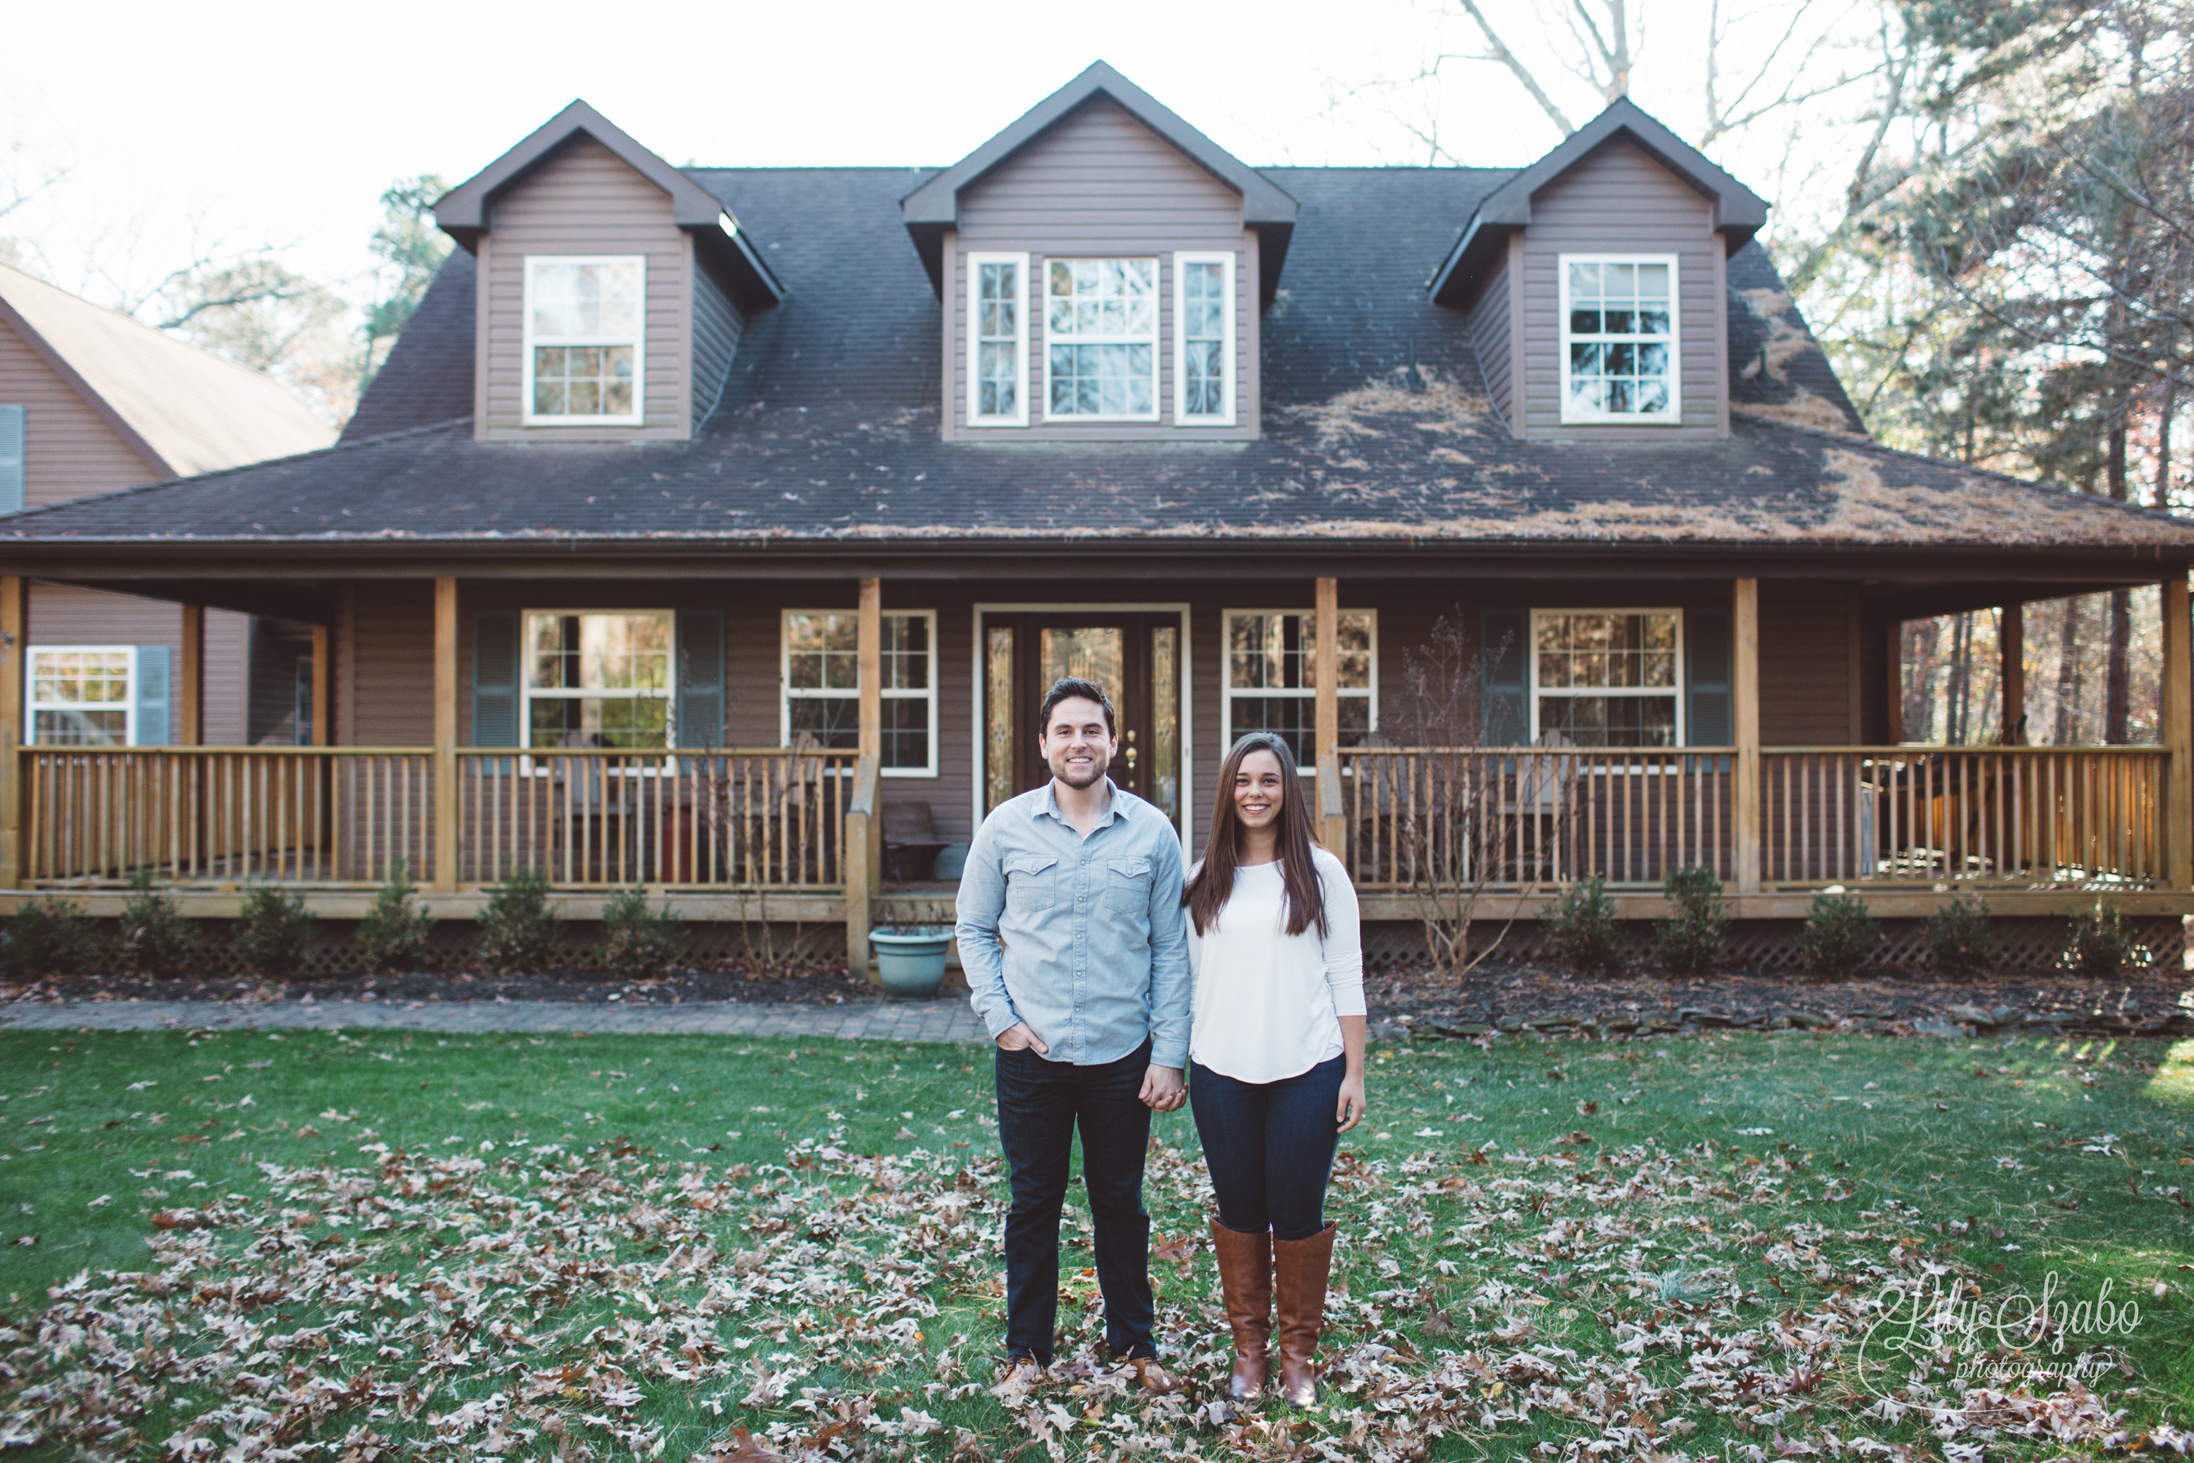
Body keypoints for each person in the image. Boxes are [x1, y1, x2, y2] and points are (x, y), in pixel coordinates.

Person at [956, 676, 1191, 1397]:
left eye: (1092, 730)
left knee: (1121, 1201)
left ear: (1113, 741)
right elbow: (972, 927)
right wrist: (1002, 1021)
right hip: (1036, 1056)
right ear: (1043, 743)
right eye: (1065, 730)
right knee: (1033, 1203)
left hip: (1124, 1055)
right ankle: (1027, 1351)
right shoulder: (1005, 828)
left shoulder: (1153, 832)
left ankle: (1134, 1345)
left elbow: (1170, 950)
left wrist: (1169, 1052)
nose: (1079, 742)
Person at [1184, 731, 1366, 1406]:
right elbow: (1185, 980)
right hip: (1221, 1072)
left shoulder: (1321, 873)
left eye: (1268, 779)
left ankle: (1298, 1358)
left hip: (1308, 1069)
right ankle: (1249, 1355)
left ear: (1287, 789)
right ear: (1226, 792)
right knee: (1239, 1212)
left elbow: (1346, 973)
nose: (1254, 792)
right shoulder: (1201, 879)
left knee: (1296, 1213)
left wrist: (1354, 1072)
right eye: (1241, 780)